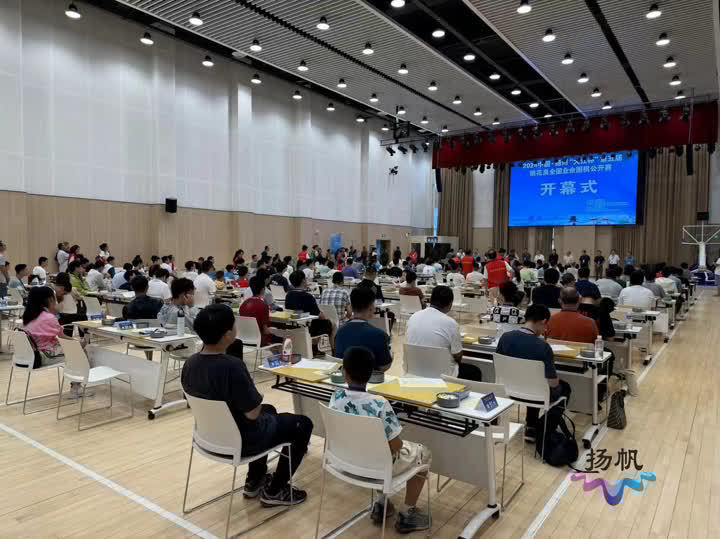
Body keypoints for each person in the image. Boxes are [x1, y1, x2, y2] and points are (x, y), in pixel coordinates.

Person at [181, 304, 311, 506]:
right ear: (227, 334)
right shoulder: (232, 367)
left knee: (270, 410)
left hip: (209, 437)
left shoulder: (190, 363)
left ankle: (255, 480)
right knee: (302, 424)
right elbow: (252, 414)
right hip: (241, 440)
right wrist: (254, 395)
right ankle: (275, 490)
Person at [329, 346, 431, 532]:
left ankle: (381, 503)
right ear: (371, 375)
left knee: (374, 450)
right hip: (376, 468)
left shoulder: (336, 397)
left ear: (344, 373)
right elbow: (396, 445)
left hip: (346, 463)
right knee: (423, 453)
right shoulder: (380, 404)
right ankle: (407, 513)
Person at [496, 304, 570, 443]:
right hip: (535, 393)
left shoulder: (505, 337)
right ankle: (540, 428)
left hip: (509, 390)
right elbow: (552, 383)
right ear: (543, 321)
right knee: (563, 387)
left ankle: (532, 425)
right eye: (546, 325)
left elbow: (499, 365)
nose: (545, 329)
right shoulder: (543, 346)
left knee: (534, 382)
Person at [23, 286, 90, 398]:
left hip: (30, 355)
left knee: (76, 351)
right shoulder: (48, 317)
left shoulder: (28, 316)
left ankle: (76, 383)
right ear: (50, 300)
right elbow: (62, 337)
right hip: (44, 355)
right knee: (80, 353)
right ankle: (76, 387)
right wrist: (79, 343)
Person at [406, 286, 467, 378]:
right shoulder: (451, 323)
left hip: (414, 371)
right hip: (442, 375)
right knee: (474, 371)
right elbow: (458, 356)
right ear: (450, 304)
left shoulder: (413, 317)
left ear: (430, 300)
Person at [335, 287, 392, 371]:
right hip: (370, 377)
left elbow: (339, 360)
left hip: (346, 376)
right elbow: (384, 366)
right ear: (371, 308)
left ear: (351, 307)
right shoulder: (379, 335)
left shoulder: (340, 332)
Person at [285, 270, 332, 338]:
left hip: (294, 326)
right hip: (308, 327)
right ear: (303, 280)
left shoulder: (288, 295)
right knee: (331, 323)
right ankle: (330, 345)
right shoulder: (308, 296)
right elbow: (320, 315)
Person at [239, 275, 274, 345]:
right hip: (260, 341)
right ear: (263, 289)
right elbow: (265, 331)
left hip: (244, 340)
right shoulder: (263, 305)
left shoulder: (243, 304)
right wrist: (275, 330)